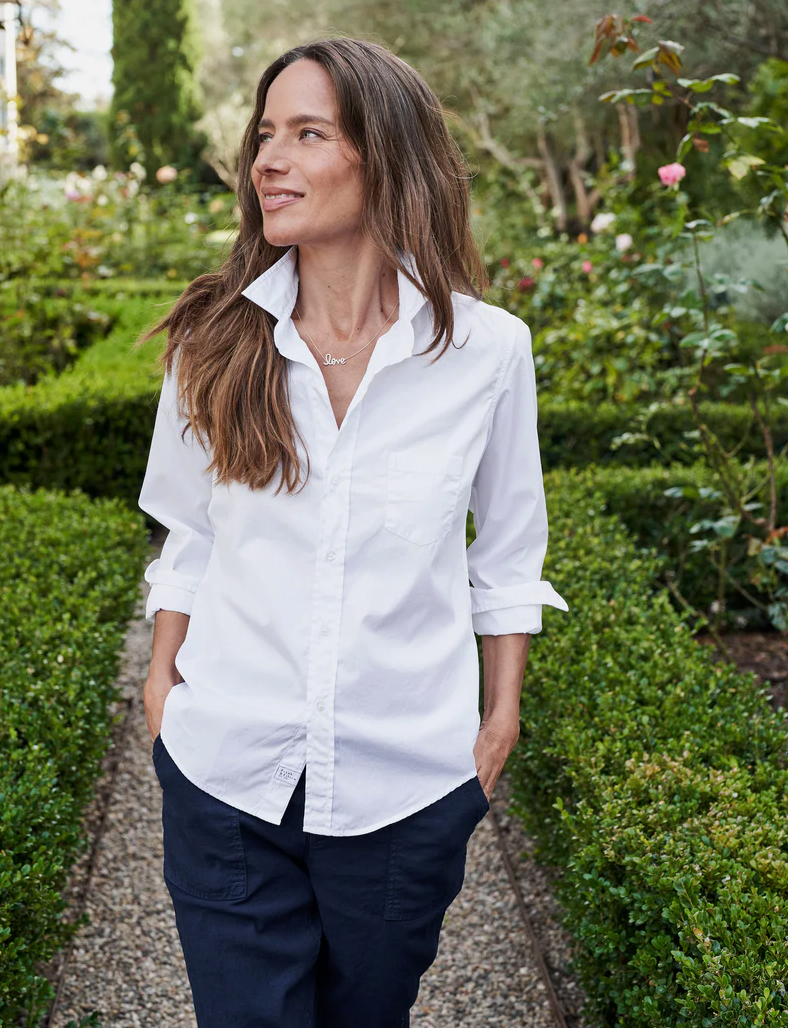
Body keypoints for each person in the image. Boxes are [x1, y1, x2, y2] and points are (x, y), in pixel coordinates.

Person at [135, 35, 568, 1028]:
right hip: (222, 774)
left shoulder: (487, 352)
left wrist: (493, 729)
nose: (266, 160)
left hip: (404, 790)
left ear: (384, 155)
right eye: (263, 135)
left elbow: (503, 555)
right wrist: (164, 690)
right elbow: (188, 535)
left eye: (306, 134)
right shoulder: (212, 339)